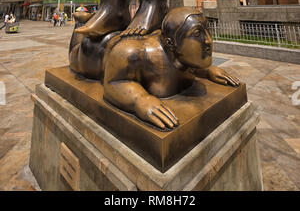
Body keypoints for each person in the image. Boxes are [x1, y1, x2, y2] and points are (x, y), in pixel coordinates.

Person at [70, 7, 240, 130]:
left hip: (122, 38)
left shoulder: (176, 52)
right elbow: (114, 81)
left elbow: (182, 61)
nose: (208, 41)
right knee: (74, 57)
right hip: (95, 52)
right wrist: (140, 100)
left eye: (207, 32)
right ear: (170, 44)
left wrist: (206, 70)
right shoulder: (133, 52)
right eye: (197, 34)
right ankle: (80, 21)